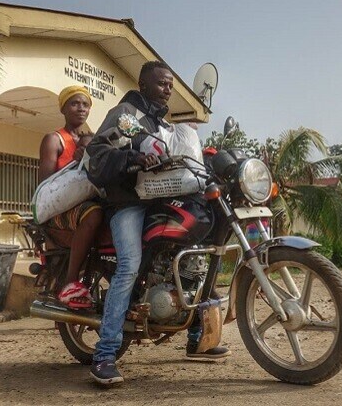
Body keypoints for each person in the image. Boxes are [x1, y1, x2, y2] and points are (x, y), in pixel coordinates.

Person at [86, 61, 229, 385]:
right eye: (162, 83)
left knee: (192, 259)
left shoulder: (161, 124)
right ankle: (105, 355)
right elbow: (98, 153)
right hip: (127, 203)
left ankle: (196, 337)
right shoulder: (126, 114)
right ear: (143, 83)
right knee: (129, 266)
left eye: (170, 84)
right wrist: (132, 159)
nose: (168, 89)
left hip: (160, 199)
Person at [38, 86, 103, 309]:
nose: (81, 109)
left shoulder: (94, 141)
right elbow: (46, 184)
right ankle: (70, 281)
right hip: (60, 209)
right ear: (63, 108)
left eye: (85, 104)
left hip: (84, 203)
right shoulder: (54, 140)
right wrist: (75, 165)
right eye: (75, 103)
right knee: (94, 215)